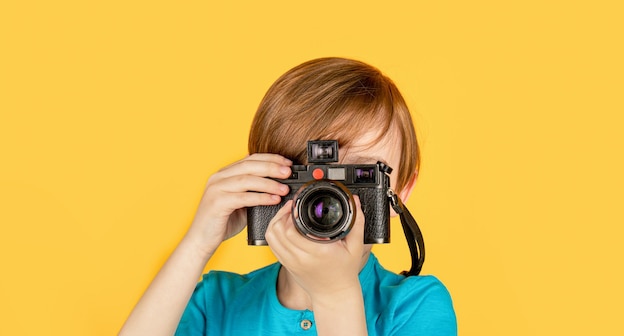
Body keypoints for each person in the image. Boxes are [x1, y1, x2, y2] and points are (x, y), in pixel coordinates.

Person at [119, 57, 457, 335]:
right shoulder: (215, 302)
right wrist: (197, 243)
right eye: (302, 173)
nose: (326, 199)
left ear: (399, 193)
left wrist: (335, 296)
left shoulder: (416, 307)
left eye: (358, 175)